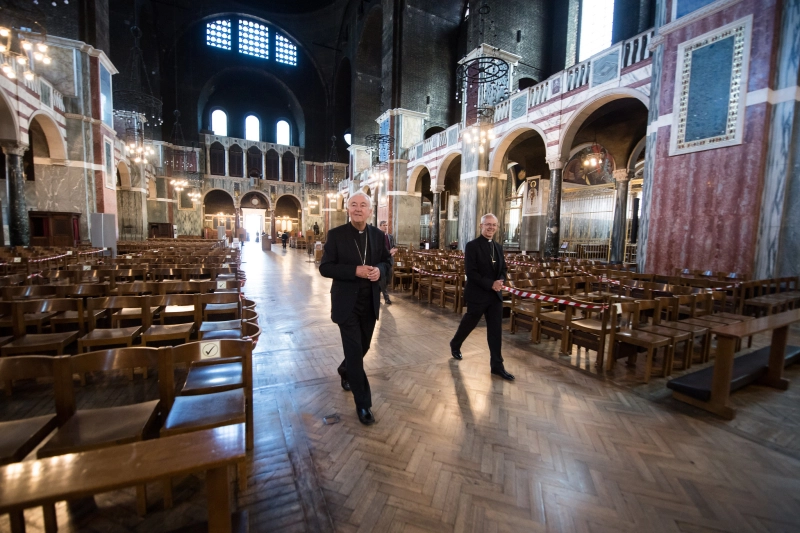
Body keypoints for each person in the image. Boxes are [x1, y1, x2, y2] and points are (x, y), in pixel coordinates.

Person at [319, 192, 392, 425]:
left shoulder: (379, 236)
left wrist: (380, 270)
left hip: (369, 302)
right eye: (354, 205)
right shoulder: (336, 235)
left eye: (363, 205)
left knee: (364, 346)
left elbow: (387, 263)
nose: (358, 209)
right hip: (345, 304)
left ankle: (344, 369)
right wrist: (354, 271)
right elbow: (325, 268)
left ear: (370, 210)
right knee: (355, 353)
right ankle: (364, 405)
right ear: (347, 209)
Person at [449, 214, 515, 381]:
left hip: (495, 296)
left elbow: (503, 269)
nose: (490, 227)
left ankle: (497, 366)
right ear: (481, 226)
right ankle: (455, 343)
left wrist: (501, 280)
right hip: (478, 294)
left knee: (495, 331)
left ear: (497, 227)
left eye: (494, 225)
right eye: (487, 225)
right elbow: (471, 272)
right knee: (469, 323)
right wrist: (490, 284)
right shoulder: (472, 246)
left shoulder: (498, 247)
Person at [378, 220, 397, 304]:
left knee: (388, 279)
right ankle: (386, 298)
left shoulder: (390, 236)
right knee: (383, 279)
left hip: (389, 261)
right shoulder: (377, 236)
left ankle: (377, 291)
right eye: (384, 225)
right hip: (381, 261)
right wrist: (388, 252)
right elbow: (378, 249)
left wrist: (393, 251)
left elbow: (393, 246)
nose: (385, 226)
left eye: (386, 225)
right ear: (380, 226)